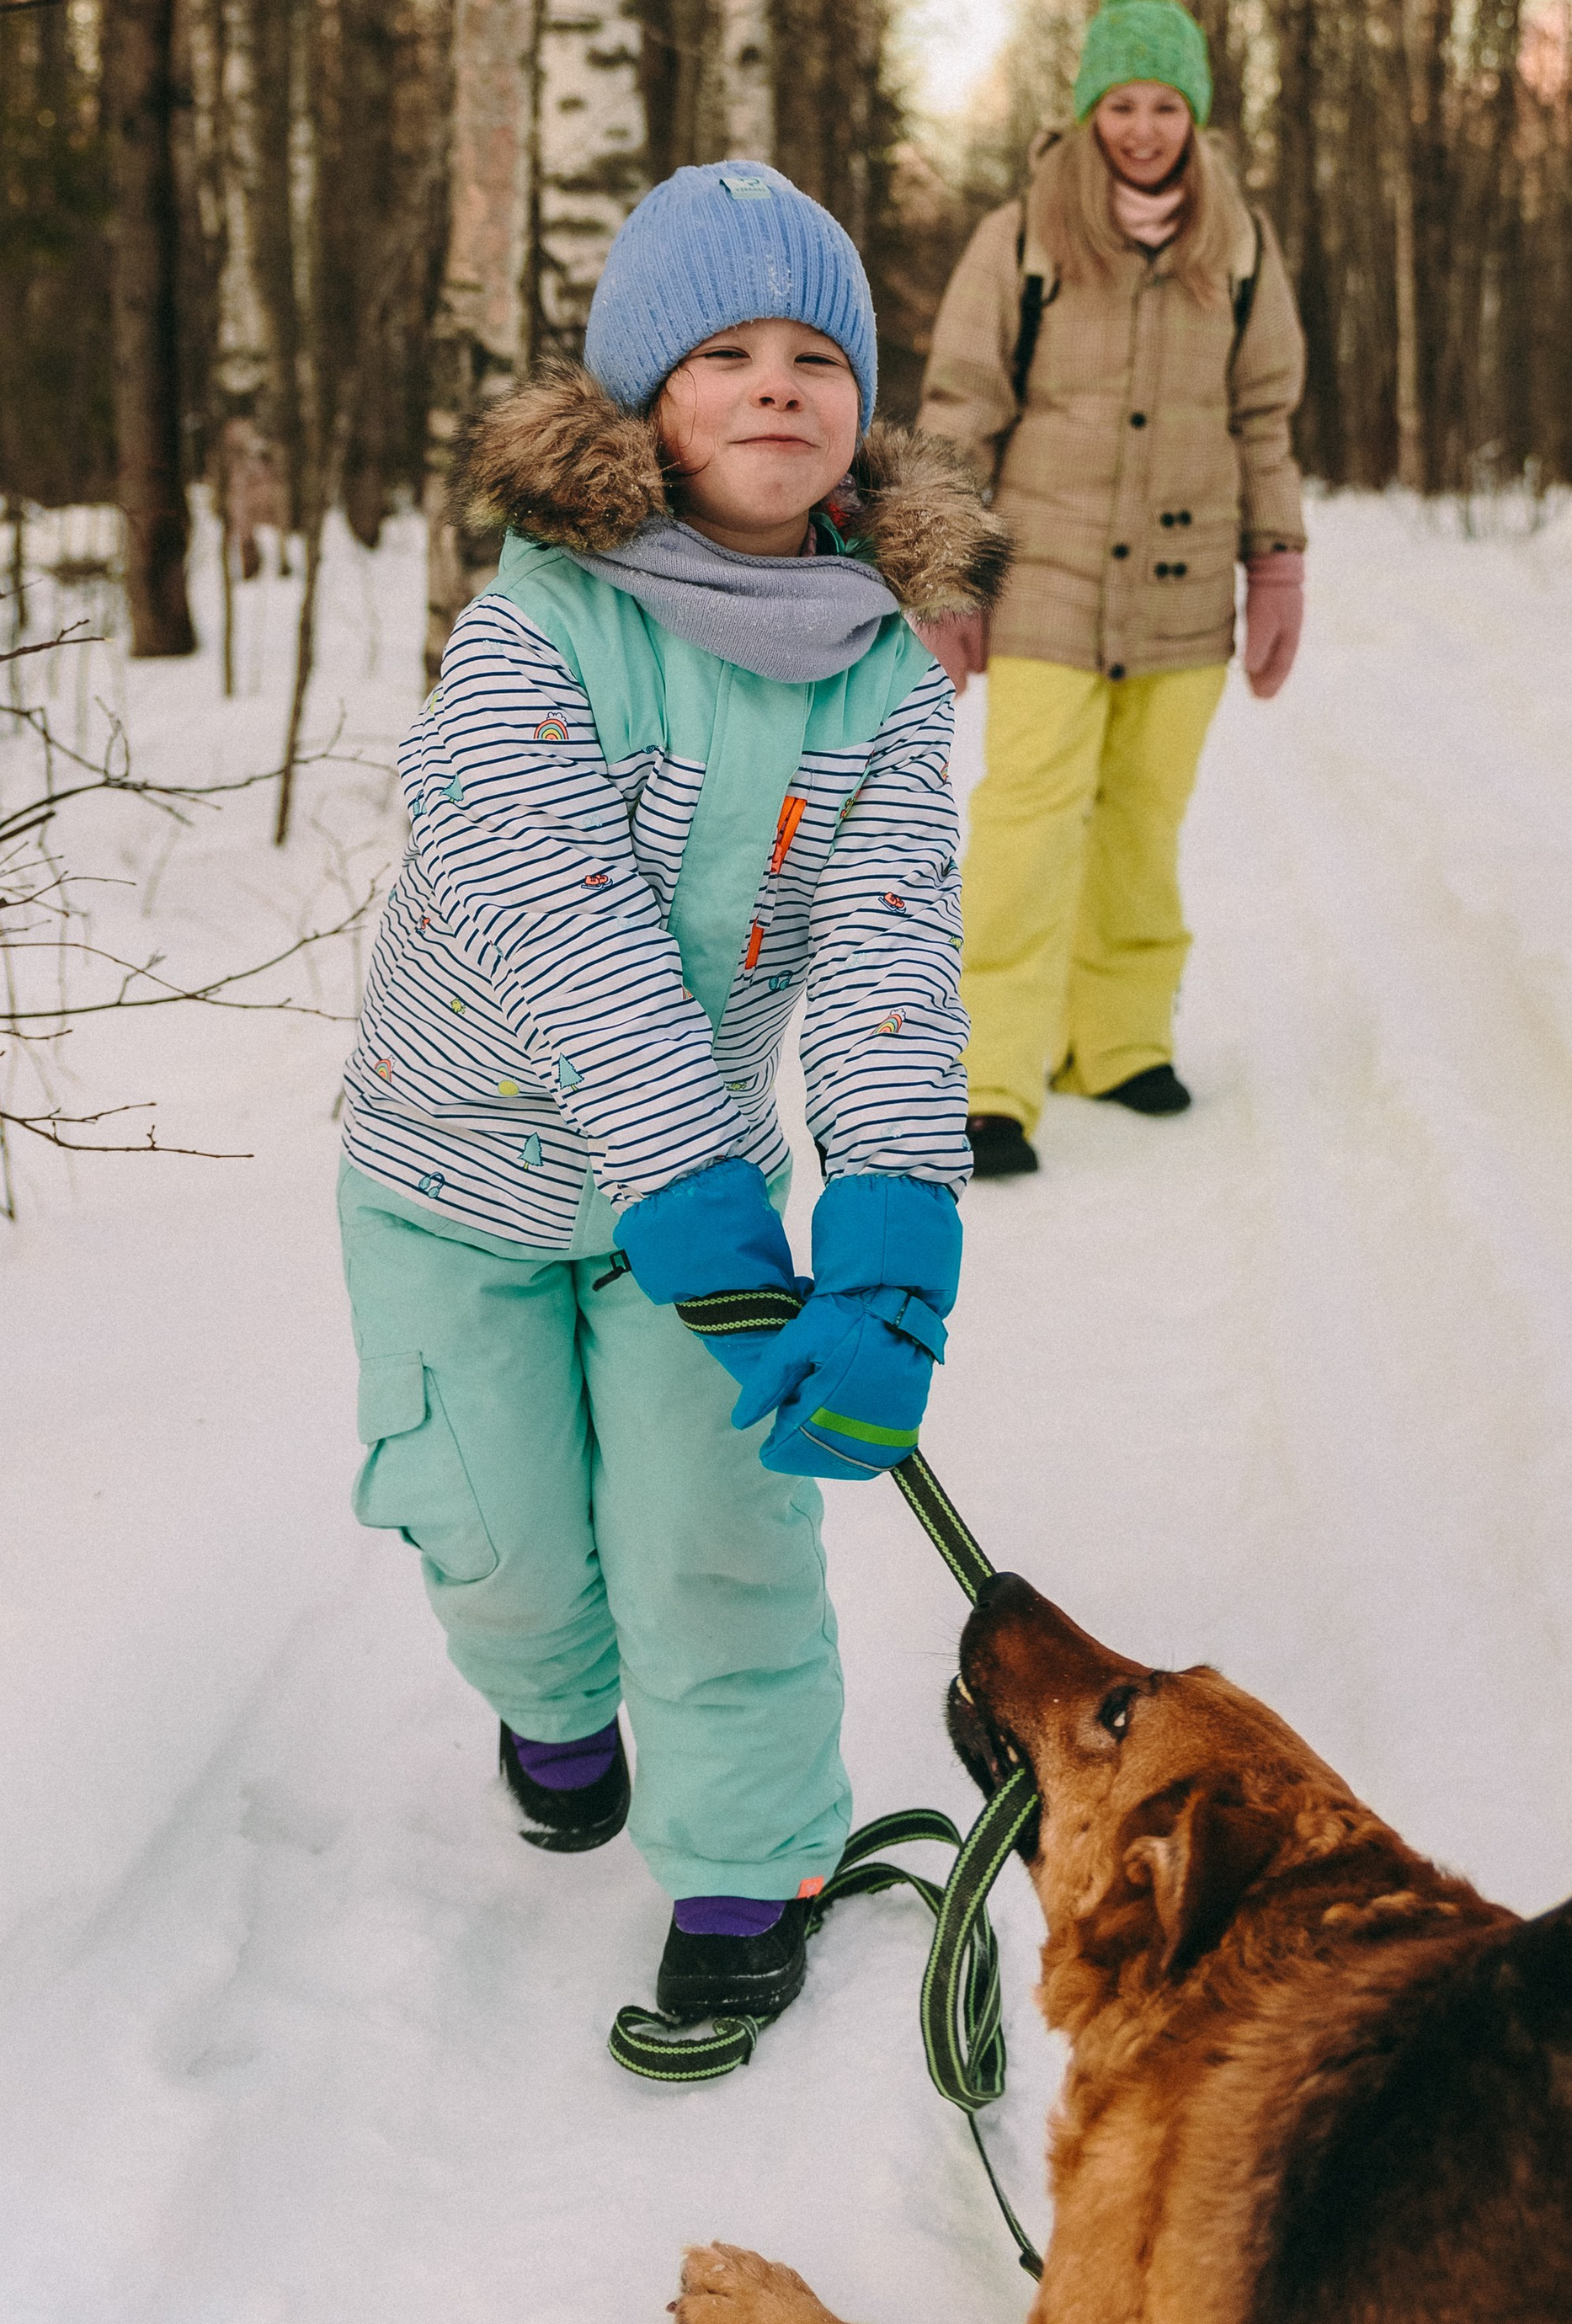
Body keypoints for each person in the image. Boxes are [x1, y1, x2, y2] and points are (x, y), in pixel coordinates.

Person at [338, 163, 1005, 2032]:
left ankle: (744, 1857)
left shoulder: (882, 669)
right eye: (723, 352)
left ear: (861, 407)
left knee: (716, 1539)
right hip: (451, 1178)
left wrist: (886, 1235)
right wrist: (696, 1182)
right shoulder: (533, 629)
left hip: (687, 1220)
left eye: (816, 354)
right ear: (642, 404)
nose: (778, 383)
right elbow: (564, 924)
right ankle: (550, 1706)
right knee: (501, 1540)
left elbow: (883, 953)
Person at [916, 0, 1308, 1180]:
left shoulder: (1238, 243)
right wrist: (942, 575)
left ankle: (1119, 1040)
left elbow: (1266, 413)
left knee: (1142, 822)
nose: (1144, 128)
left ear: (1195, 118)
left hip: (1187, 592)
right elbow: (959, 410)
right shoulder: (1023, 234)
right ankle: (990, 1077)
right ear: (1090, 113)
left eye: (1166, 105)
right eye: (1122, 103)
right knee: (1029, 826)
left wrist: (1278, 563)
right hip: (1044, 585)